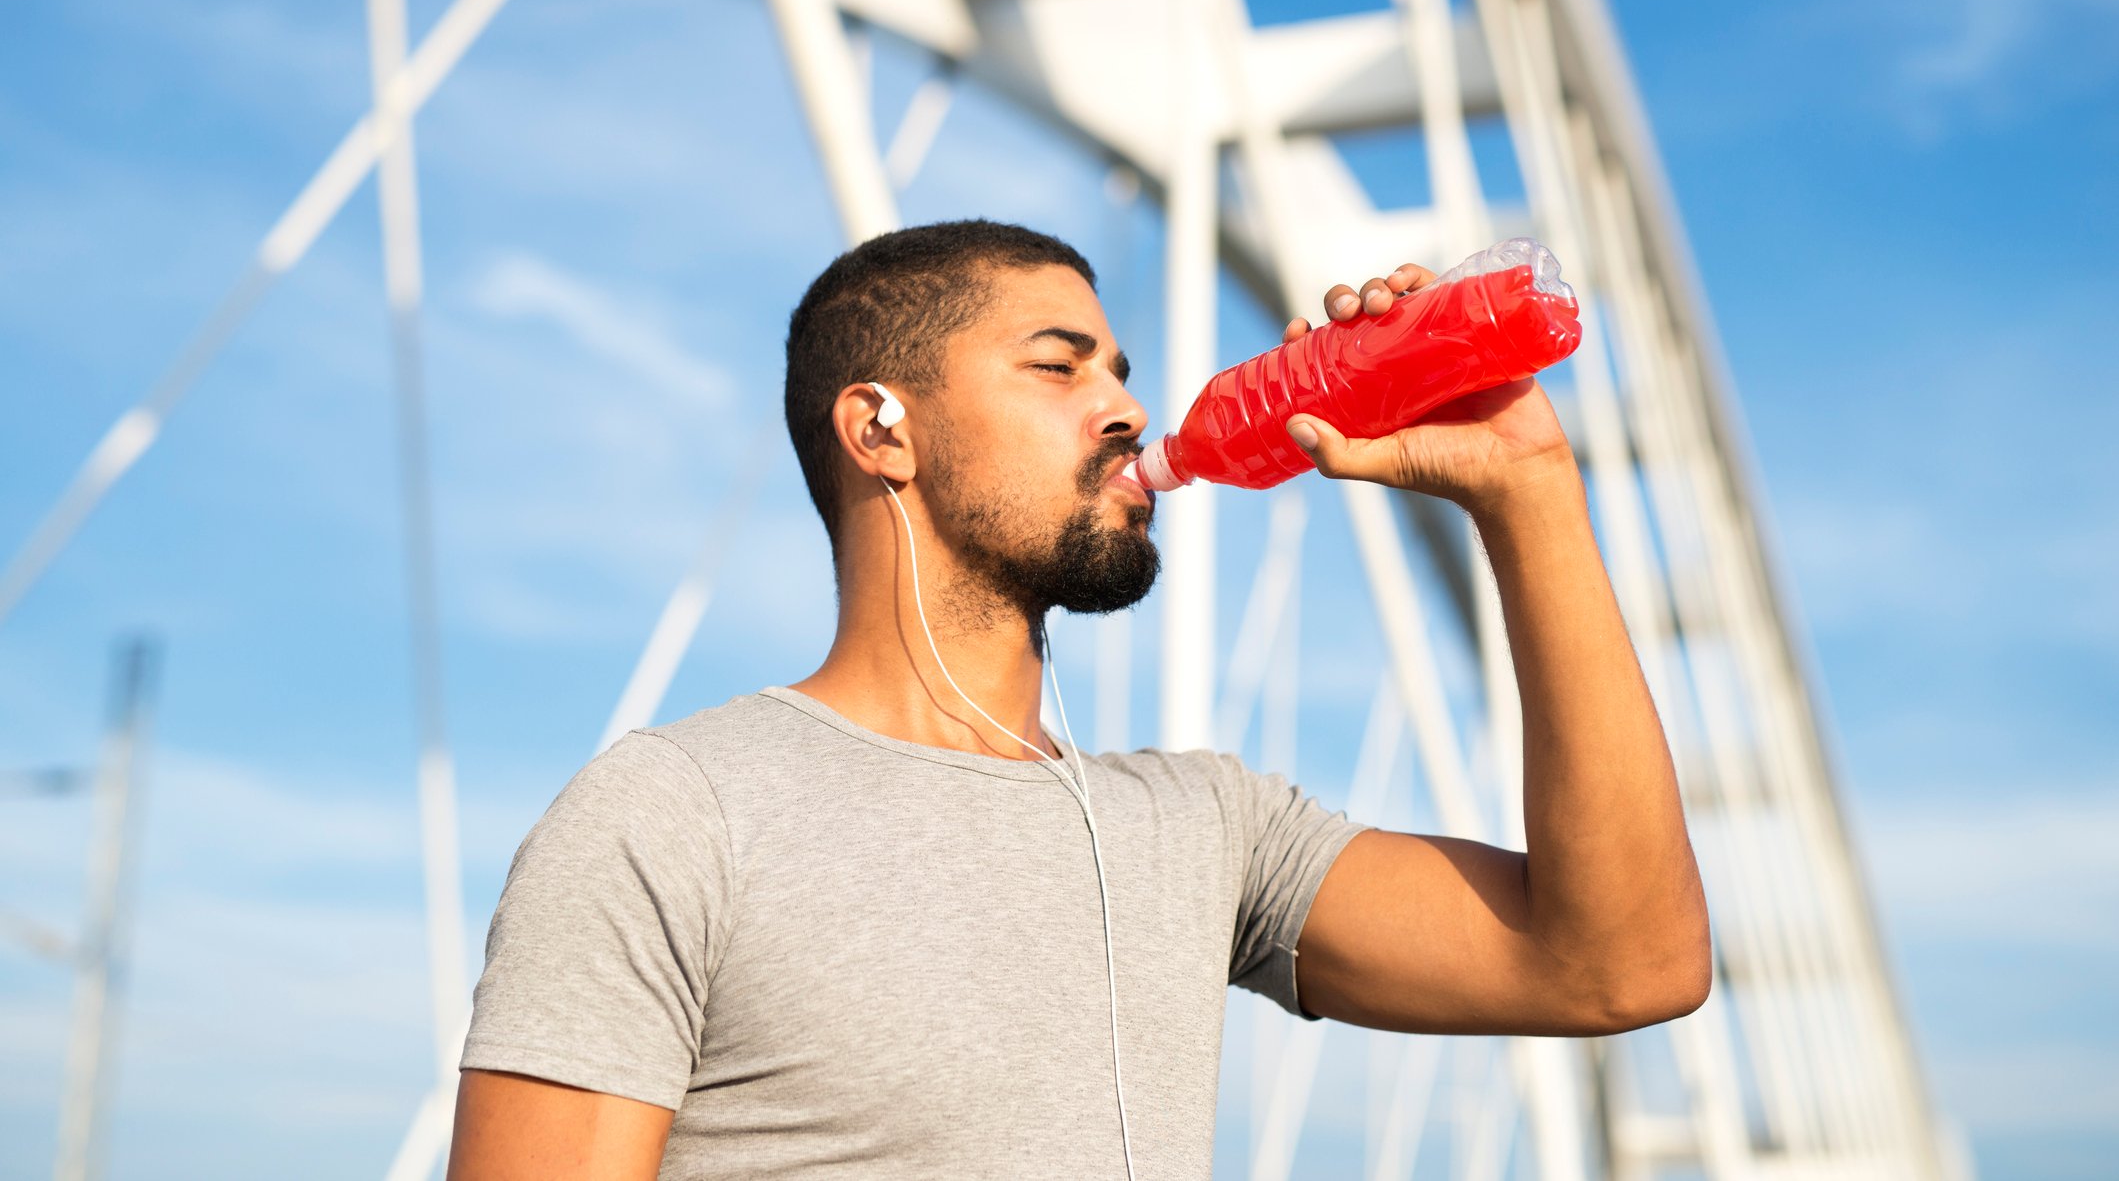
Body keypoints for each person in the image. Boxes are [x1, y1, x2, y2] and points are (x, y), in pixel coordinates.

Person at [445, 219, 1709, 1179]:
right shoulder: (674, 814)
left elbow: (1622, 966)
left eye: (1119, 369)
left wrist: (1528, 488)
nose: (1128, 410)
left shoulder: (1204, 826)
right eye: (1058, 369)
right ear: (879, 430)